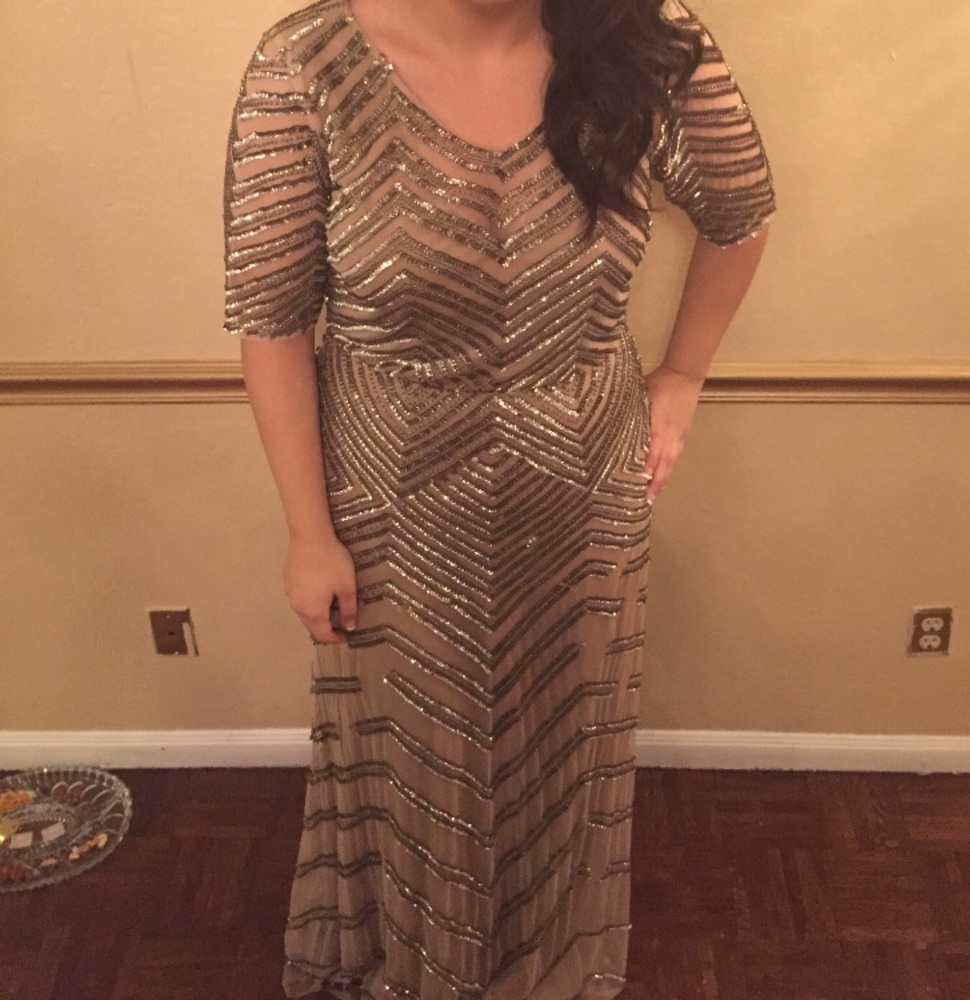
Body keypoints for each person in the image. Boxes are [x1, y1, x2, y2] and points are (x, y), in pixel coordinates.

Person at [223, 0, 775, 996]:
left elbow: (739, 214)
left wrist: (683, 375)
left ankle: (546, 968)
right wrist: (308, 532)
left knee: (565, 750)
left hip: (581, 480)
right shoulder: (305, 64)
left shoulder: (642, 35)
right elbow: (272, 322)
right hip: (391, 493)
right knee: (412, 761)